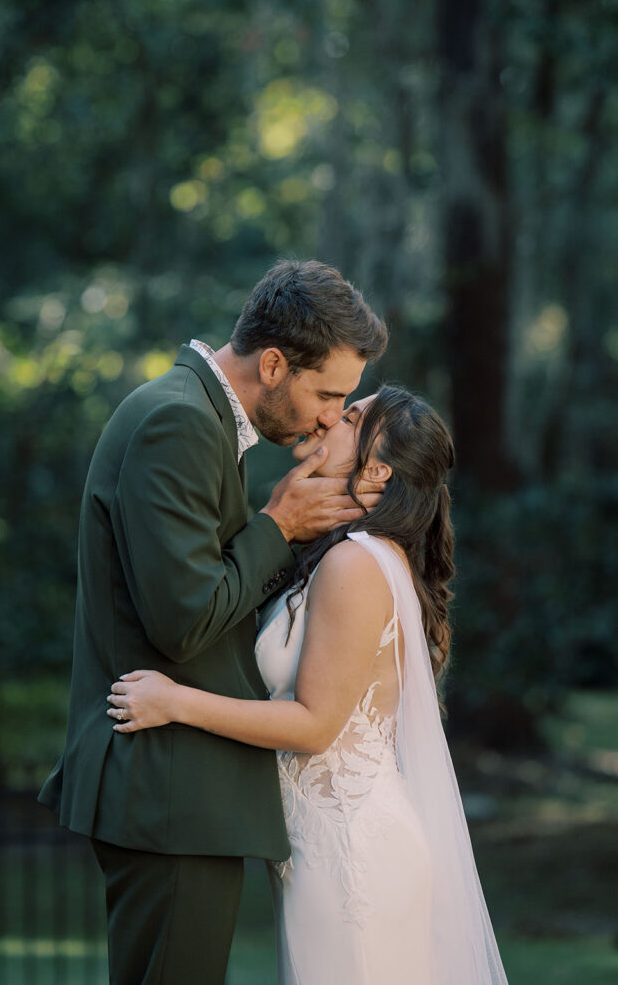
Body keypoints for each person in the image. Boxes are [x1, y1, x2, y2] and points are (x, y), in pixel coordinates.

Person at [38, 259, 388, 985]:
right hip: (169, 791)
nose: (329, 416)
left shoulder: (193, 418)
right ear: (271, 363)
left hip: (177, 794)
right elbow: (185, 621)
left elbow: (208, 590)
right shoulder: (178, 421)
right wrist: (277, 524)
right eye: (327, 394)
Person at [107, 385, 510, 985]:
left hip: (351, 855)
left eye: (348, 416)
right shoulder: (338, 556)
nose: (326, 418)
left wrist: (175, 702)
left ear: (375, 469)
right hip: (321, 851)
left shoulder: (356, 565)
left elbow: (315, 725)